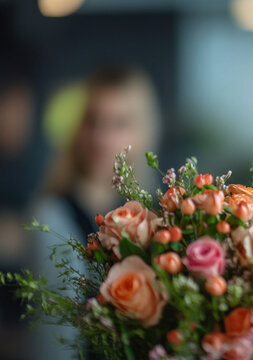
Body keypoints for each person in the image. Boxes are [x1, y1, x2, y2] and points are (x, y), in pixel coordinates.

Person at [28, 64, 160, 360]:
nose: (102, 138)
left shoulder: (154, 215)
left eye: (119, 123)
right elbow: (55, 342)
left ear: (143, 132)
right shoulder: (52, 217)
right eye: (92, 121)